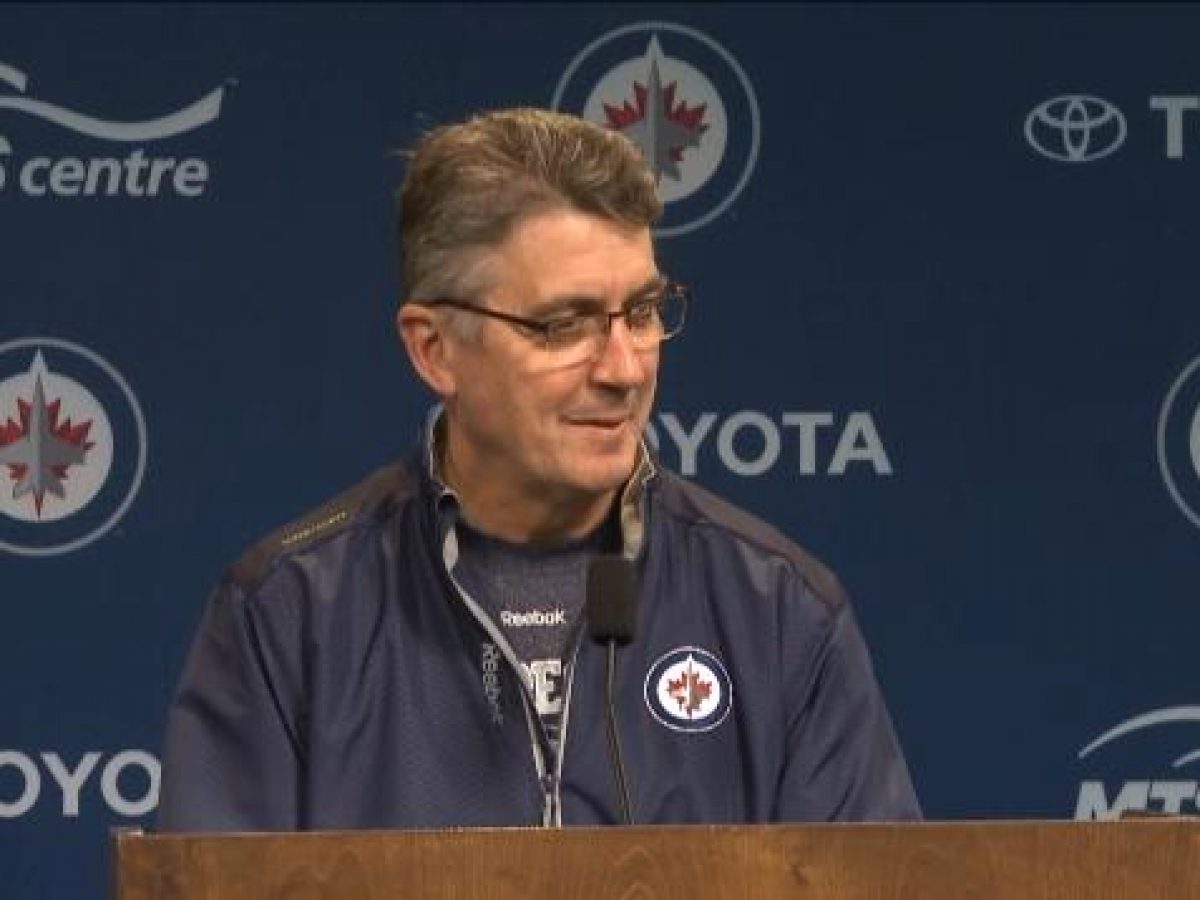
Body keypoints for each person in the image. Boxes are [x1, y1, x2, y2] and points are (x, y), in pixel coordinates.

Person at [157, 107, 920, 831]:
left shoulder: (780, 612)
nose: (624, 369)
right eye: (563, 325)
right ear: (434, 349)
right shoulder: (288, 615)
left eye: (643, 313)